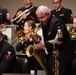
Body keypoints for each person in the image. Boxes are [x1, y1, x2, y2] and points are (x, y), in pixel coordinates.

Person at [35, 5, 75, 75]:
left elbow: (59, 40)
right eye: (39, 18)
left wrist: (44, 44)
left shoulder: (57, 23)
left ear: (48, 14)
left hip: (62, 57)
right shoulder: (44, 23)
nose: (40, 20)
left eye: (42, 17)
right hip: (53, 56)